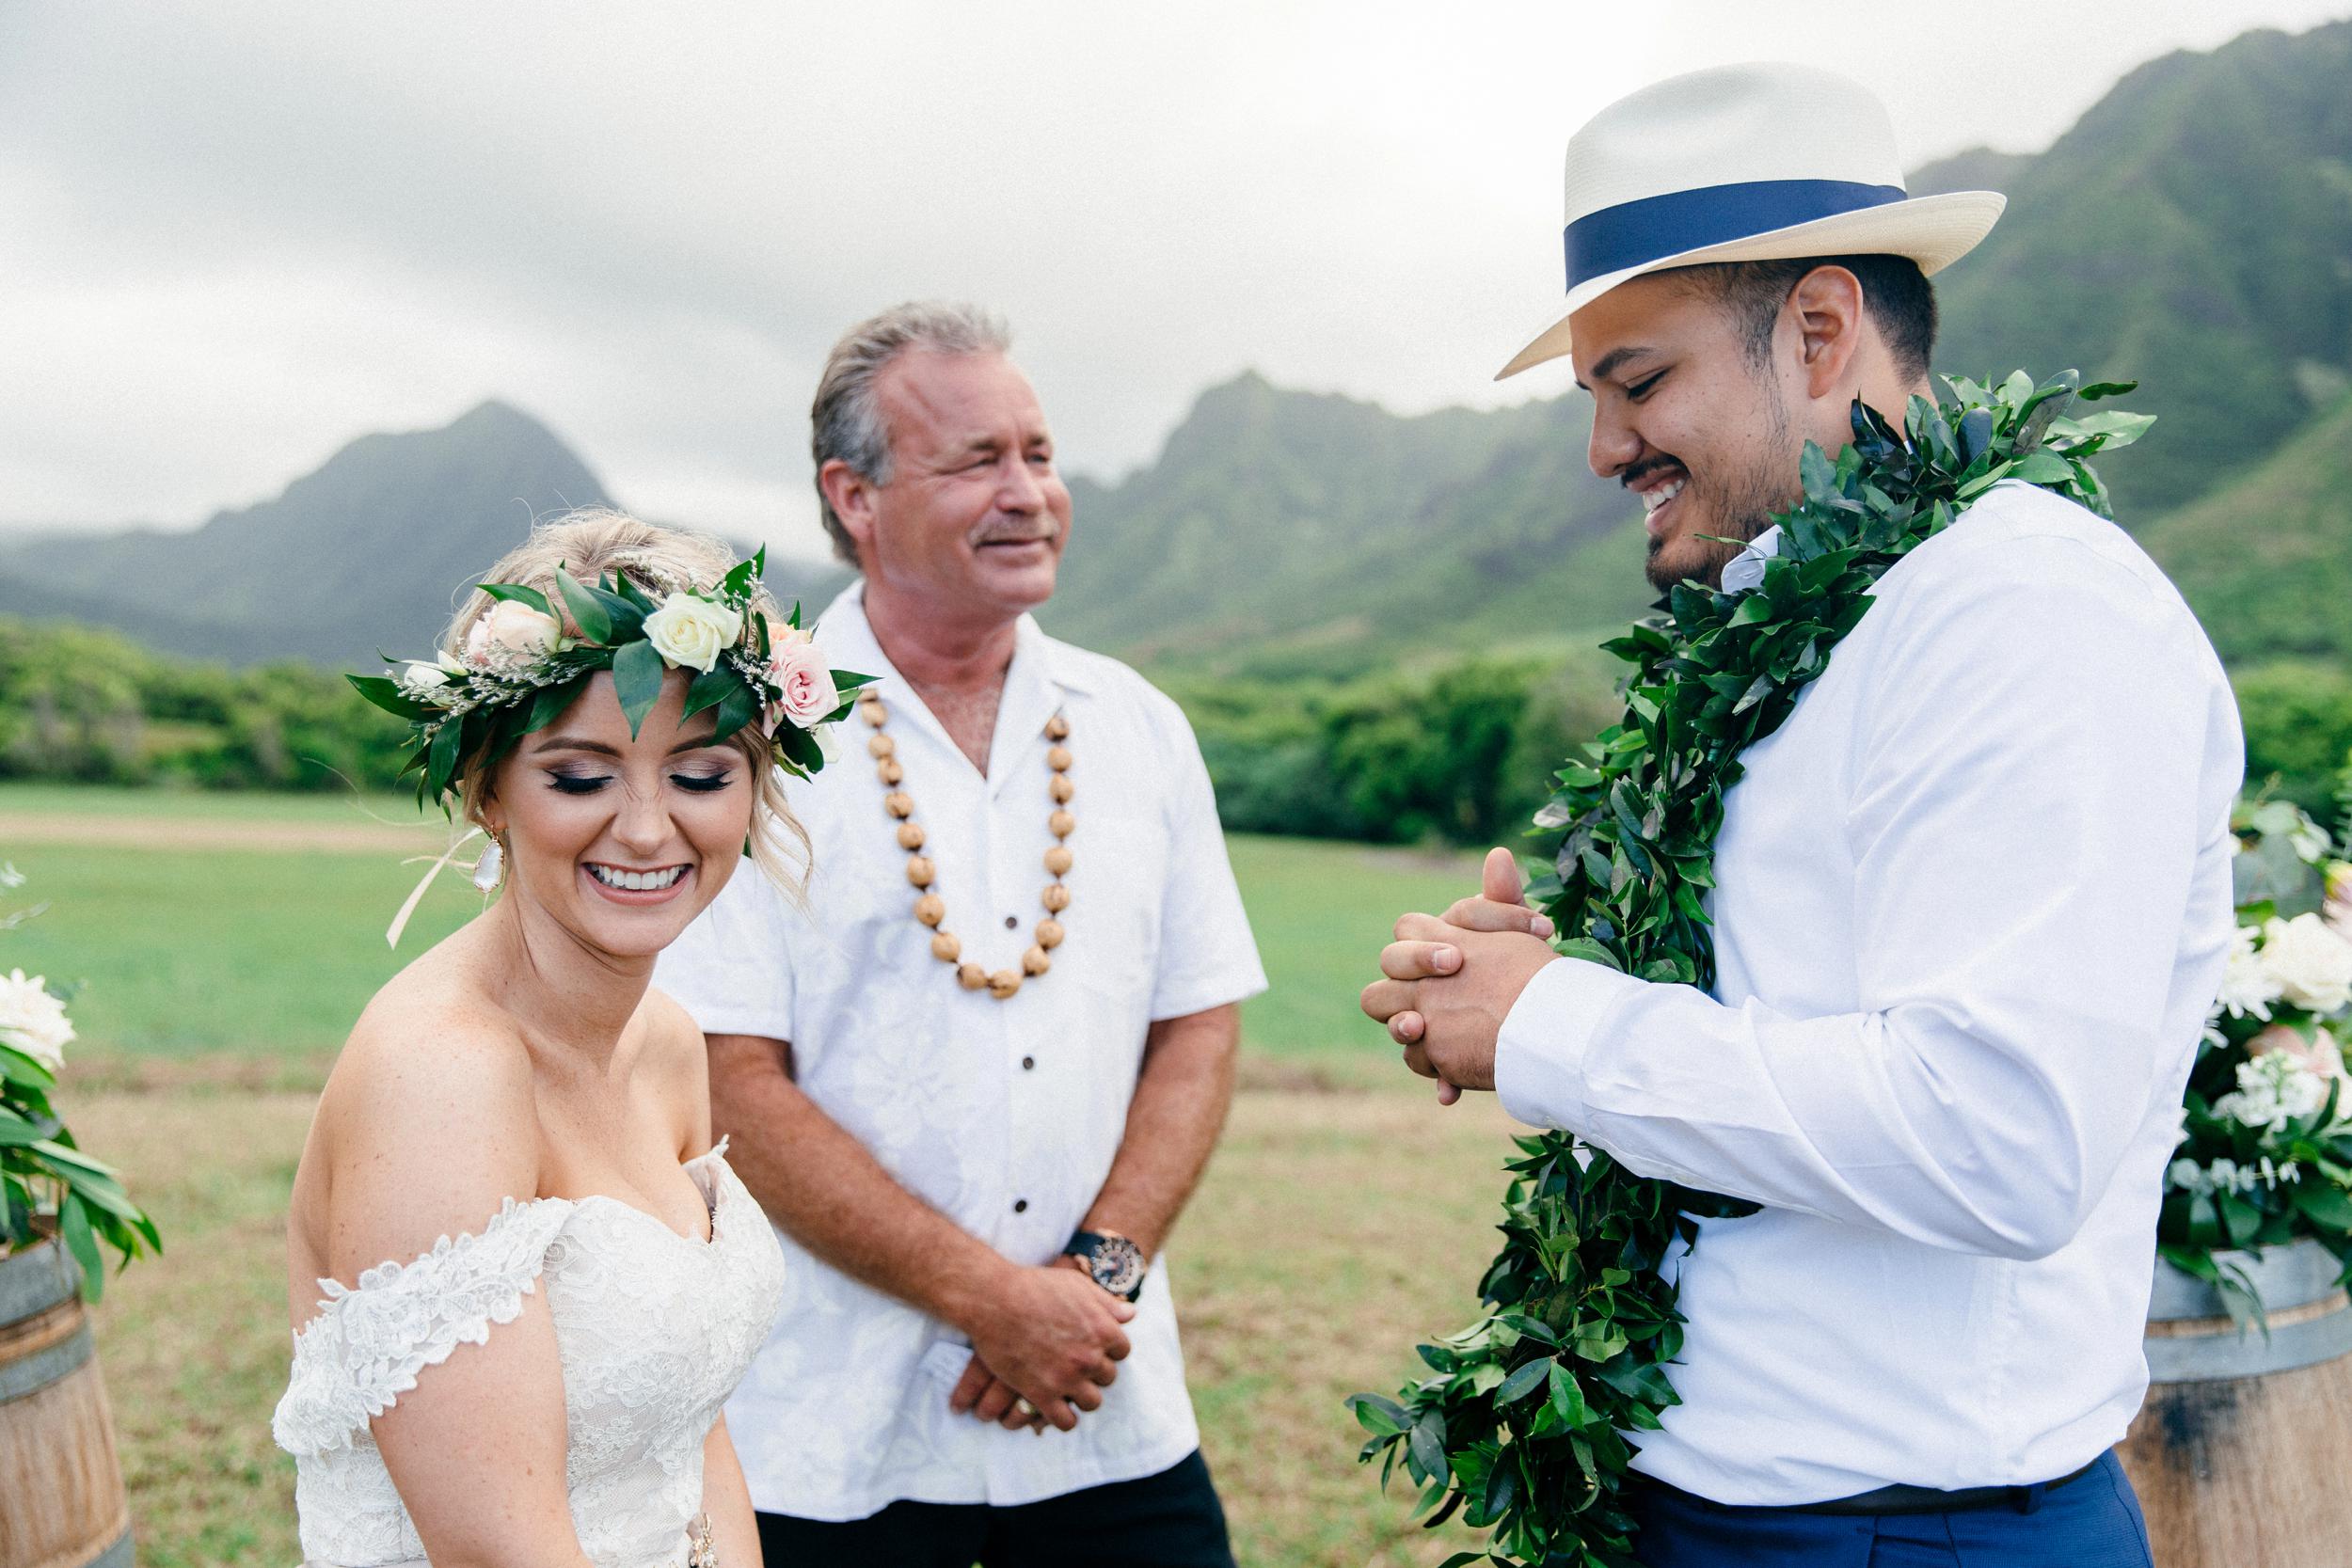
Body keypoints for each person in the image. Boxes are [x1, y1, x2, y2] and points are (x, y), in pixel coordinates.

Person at [1359, 65, 2239, 1566]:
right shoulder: (1796, 615)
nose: (1602, 449)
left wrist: (1557, 1022)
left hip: (1909, 1534)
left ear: (1820, 332)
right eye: (1594, 399)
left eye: (1639, 383)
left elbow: (2001, 1133)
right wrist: (1548, 972)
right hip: (1712, 1498)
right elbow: (1818, 1000)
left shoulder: (2025, 610)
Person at [655, 301, 1266, 1567]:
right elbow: (726, 1077)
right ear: (855, 496)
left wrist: (1093, 1278)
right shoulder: (746, 740)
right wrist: (990, 1299)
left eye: (1038, 455)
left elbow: (1198, 1018)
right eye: (976, 460)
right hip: (827, 1434)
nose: (1027, 492)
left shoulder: (1138, 723)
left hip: (1103, 1408)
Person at [275, 510, 857, 1568]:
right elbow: (502, 1550)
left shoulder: (669, 1041)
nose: (644, 827)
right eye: (580, 776)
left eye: (700, 773)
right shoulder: (441, 1076)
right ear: (485, 786)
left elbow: (694, 1427)